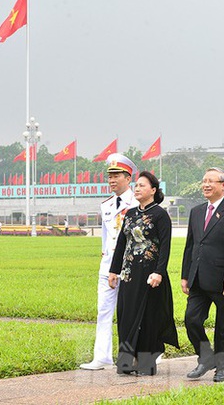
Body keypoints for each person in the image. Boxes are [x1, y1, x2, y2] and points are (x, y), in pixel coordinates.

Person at [109, 171, 179, 376]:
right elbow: (122, 244)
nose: (137, 188)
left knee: (148, 317)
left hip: (151, 276)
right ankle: (126, 360)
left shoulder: (160, 215)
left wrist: (159, 272)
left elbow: (165, 247)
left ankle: (146, 362)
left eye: (142, 185)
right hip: (130, 274)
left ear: (153, 190)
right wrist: (114, 271)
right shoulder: (130, 214)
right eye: (136, 185)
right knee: (127, 314)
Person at [181, 167, 224, 382]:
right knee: (191, 319)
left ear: (223, 185)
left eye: (211, 181)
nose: (206, 185)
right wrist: (185, 275)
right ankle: (205, 356)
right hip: (198, 278)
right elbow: (190, 245)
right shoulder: (197, 211)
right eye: (204, 181)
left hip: (223, 279)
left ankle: (222, 367)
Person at [80, 153, 139, 370]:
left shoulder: (137, 203)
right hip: (108, 267)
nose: (112, 180)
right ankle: (102, 356)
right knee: (103, 311)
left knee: (132, 312)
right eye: (110, 176)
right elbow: (106, 238)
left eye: (117, 176)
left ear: (128, 178)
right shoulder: (105, 205)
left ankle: (140, 354)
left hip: (131, 266)